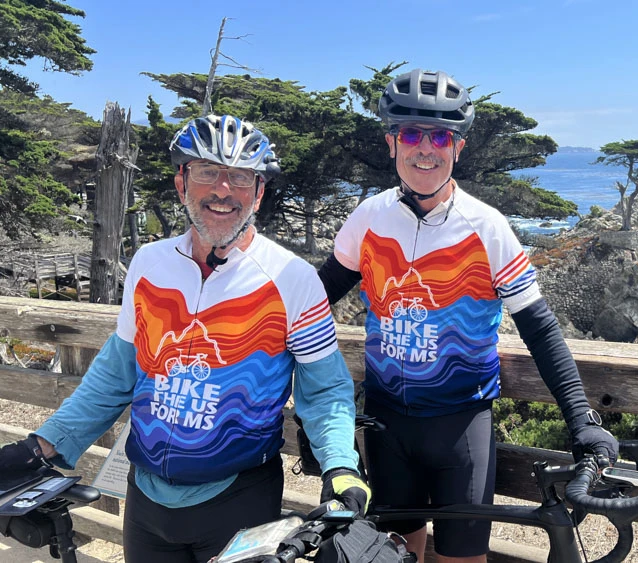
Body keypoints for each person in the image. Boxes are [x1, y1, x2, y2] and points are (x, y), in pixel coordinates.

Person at [0, 114, 369, 563]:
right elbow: (114, 377)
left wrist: (341, 468)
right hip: (146, 498)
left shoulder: (293, 278)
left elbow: (326, 390)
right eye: (207, 172)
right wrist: (43, 445)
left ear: (259, 192)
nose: (223, 190)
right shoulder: (149, 264)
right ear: (181, 182)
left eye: (239, 177)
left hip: (240, 497)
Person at [317, 69, 618, 563]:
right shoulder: (368, 218)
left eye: (440, 136)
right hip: (386, 423)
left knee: (463, 560)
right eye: (411, 134)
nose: (425, 149)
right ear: (391, 142)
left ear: (458, 147)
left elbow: (538, 327)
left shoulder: (486, 226)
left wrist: (581, 420)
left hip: (461, 426)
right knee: (391, 554)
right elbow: (315, 299)